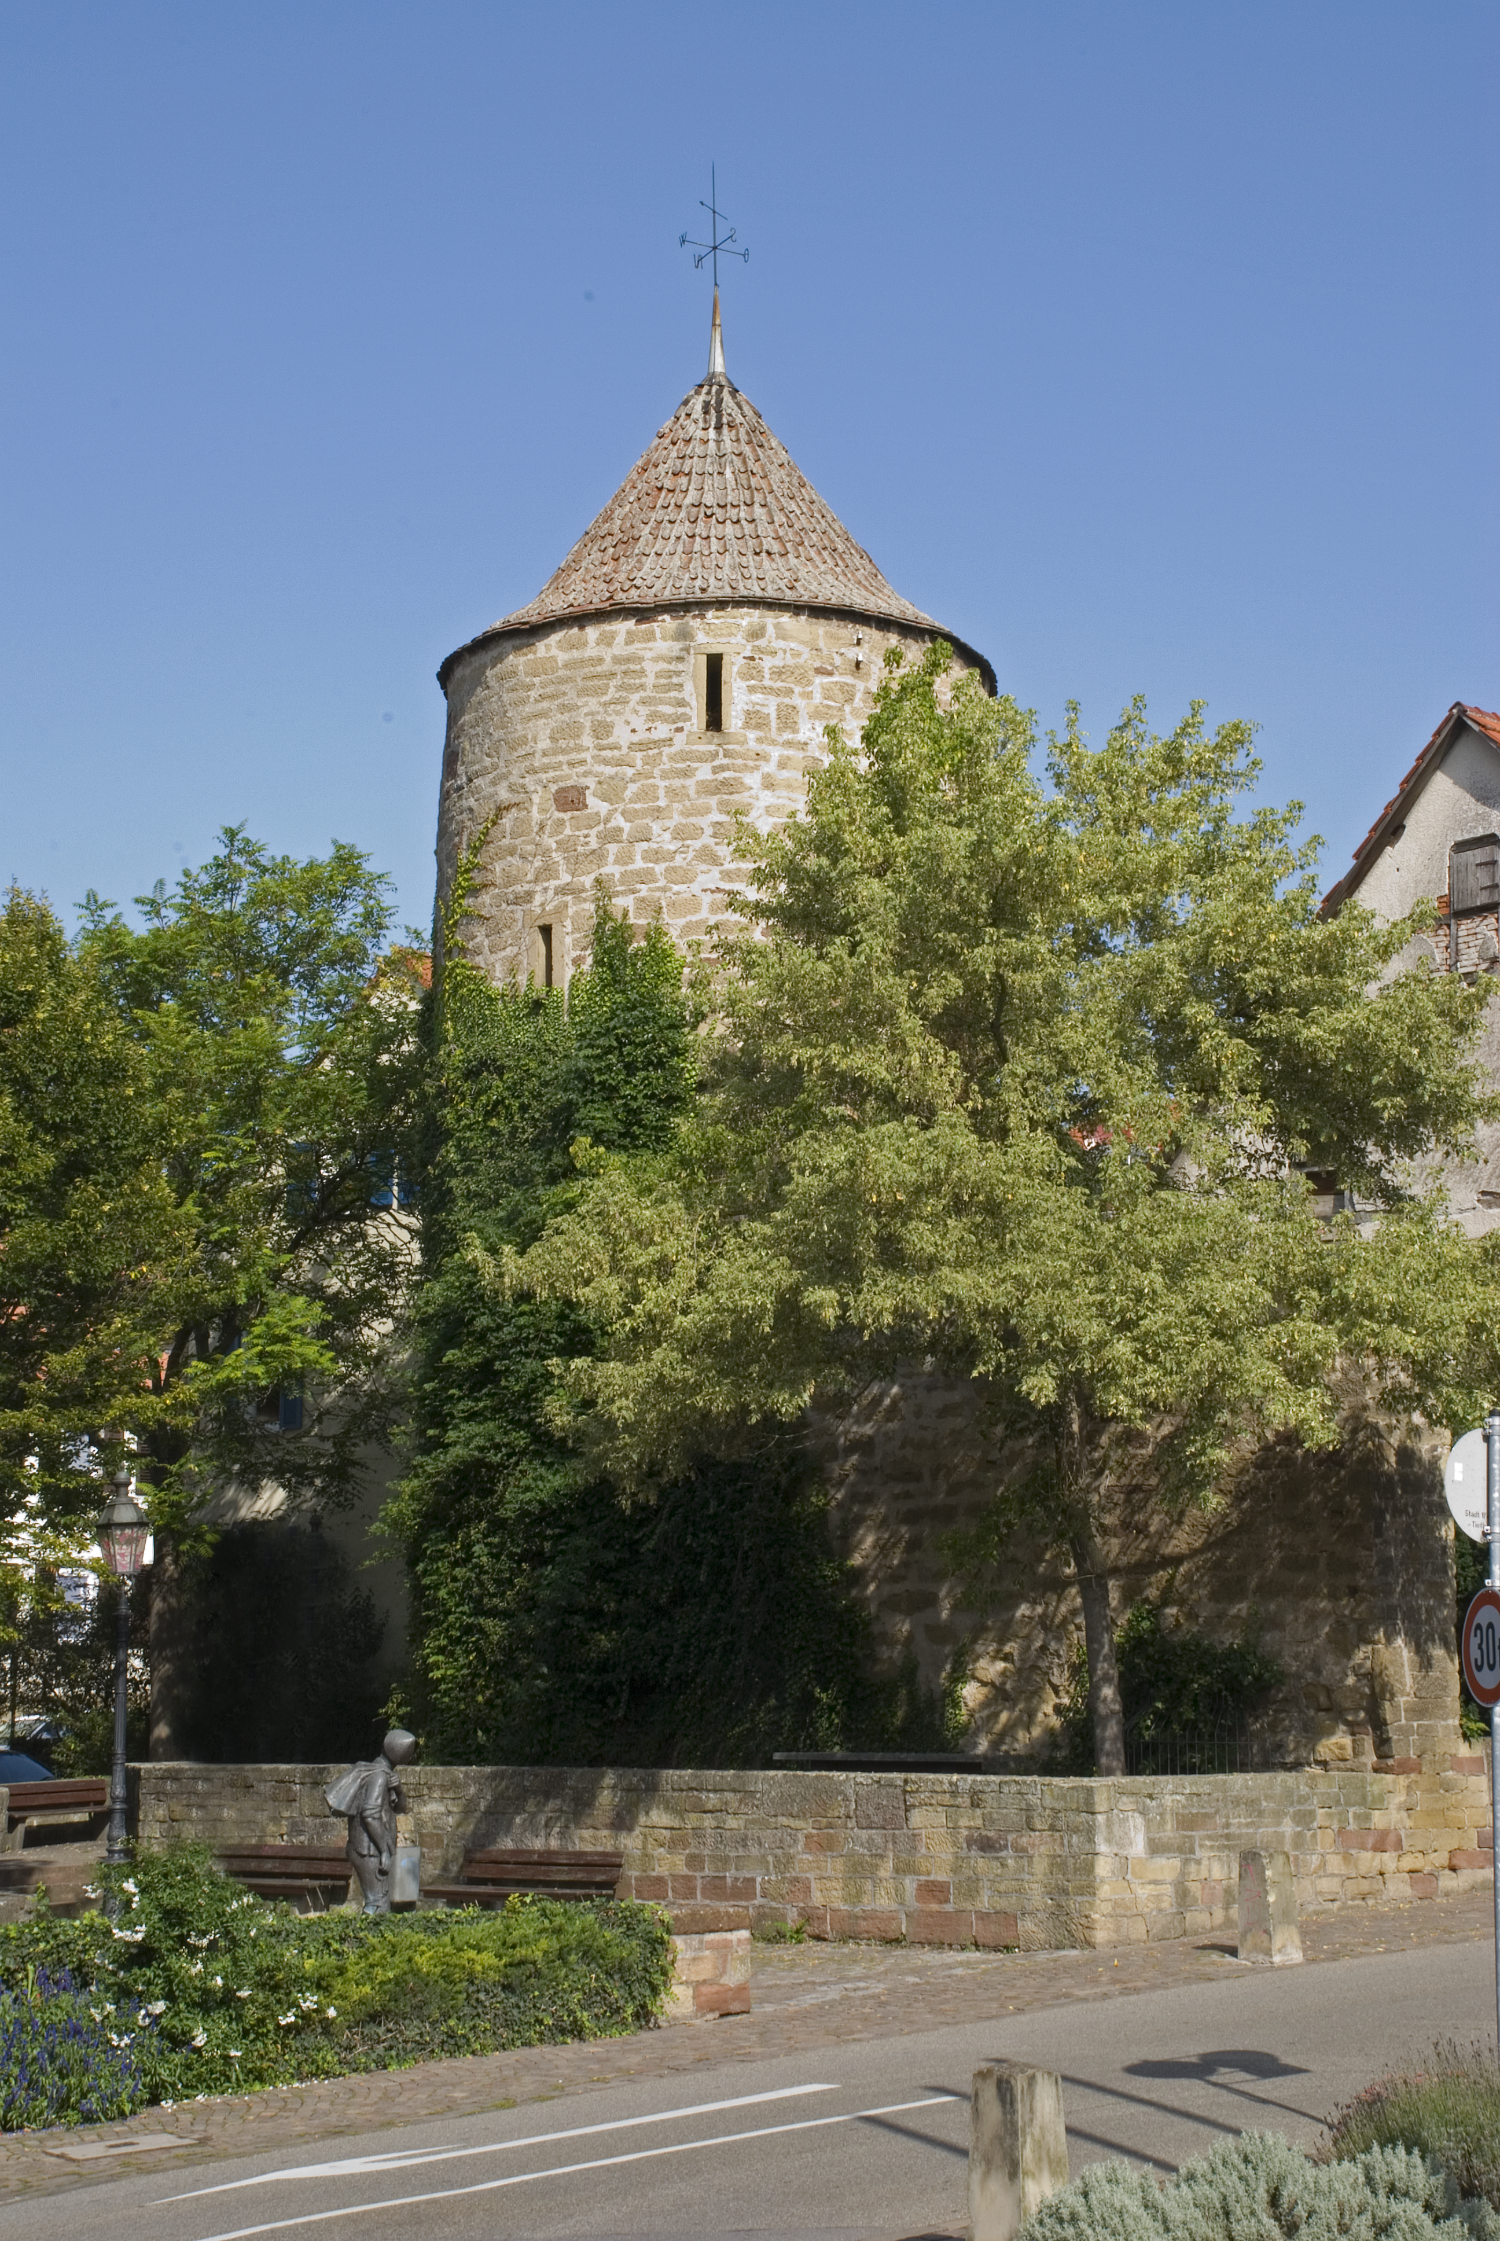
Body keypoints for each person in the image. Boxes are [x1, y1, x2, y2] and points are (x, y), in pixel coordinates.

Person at [325, 1728, 417, 1913]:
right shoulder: (379, 1776)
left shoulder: (379, 1772)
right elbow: (370, 1815)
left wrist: (399, 1791)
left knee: (377, 1901)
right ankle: (368, 1940)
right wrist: (384, 1850)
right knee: (378, 1903)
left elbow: (400, 1809)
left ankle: (369, 1938)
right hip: (369, 1850)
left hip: (369, 1848)